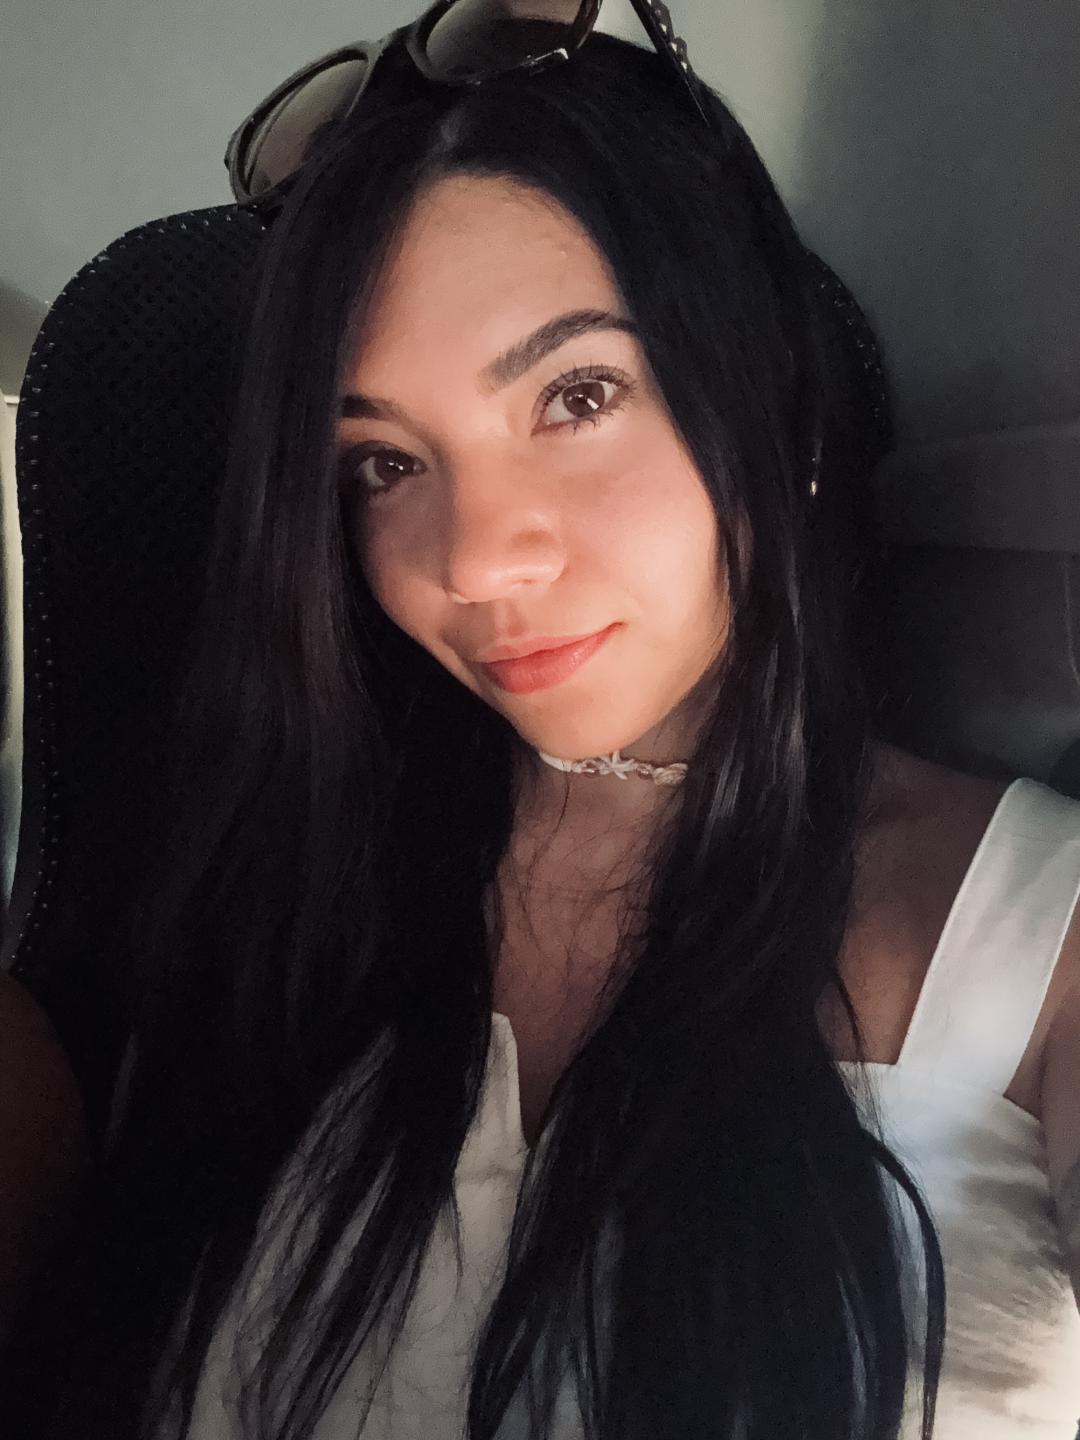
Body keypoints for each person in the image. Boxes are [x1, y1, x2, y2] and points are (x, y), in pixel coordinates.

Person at [5, 4, 1080, 1438]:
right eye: (385, 463)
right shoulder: (278, 883)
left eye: (578, 395)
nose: (472, 561)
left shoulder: (1040, 950)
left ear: (782, 411)